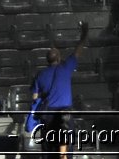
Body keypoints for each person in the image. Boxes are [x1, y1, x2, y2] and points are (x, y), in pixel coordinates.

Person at [27, 21, 90, 155]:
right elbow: (78, 50)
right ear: (59, 58)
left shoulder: (40, 74)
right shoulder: (66, 67)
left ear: (47, 60)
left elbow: (34, 98)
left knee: (48, 148)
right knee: (65, 150)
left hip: (47, 116)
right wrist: (84, 34)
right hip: (64, 115)